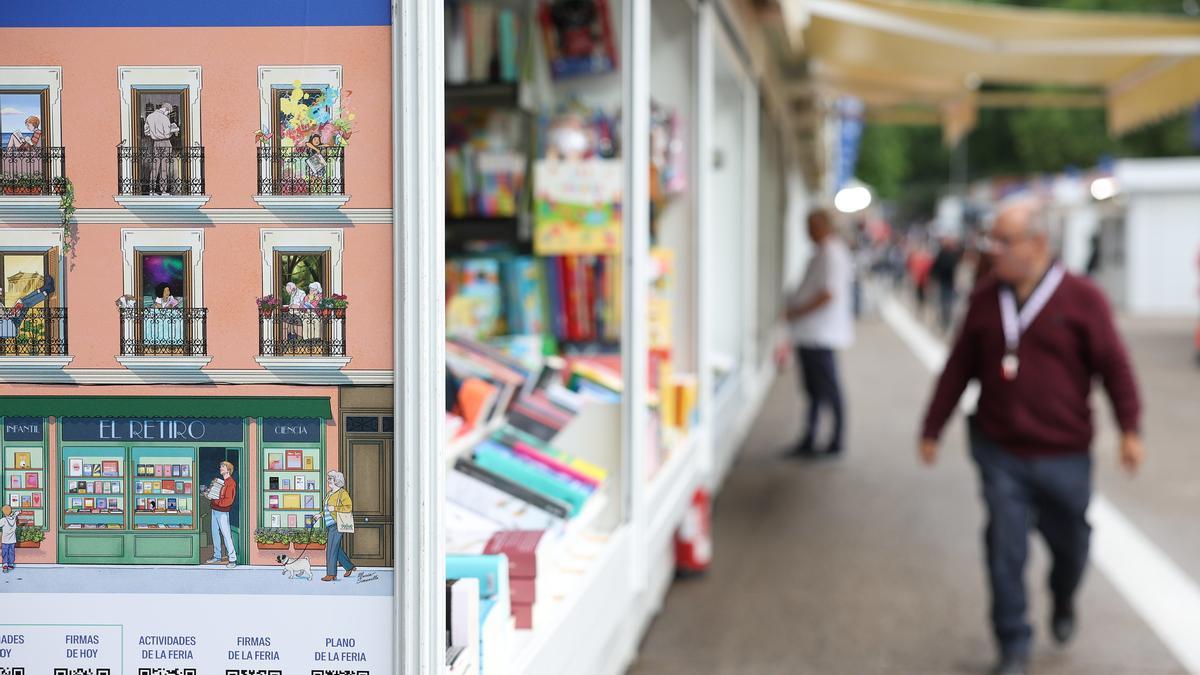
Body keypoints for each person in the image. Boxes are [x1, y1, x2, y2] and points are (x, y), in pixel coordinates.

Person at [918, 197, 1143, 675]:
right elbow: (958, 368)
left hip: (1065, 452)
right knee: (1004, 544)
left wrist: (1130, 428)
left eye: (1004, 240)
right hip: (1001, 449)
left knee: (1071, 543)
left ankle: (1063, 597)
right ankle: (1013, 644)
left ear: (1038, 243)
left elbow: (1115, 367)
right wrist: (932, 427)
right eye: (991, 240)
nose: (992, 249)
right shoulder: (984, 299)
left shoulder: (1082, 298)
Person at [784, 208, 855, 459]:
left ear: (823, 226)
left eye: (811, 226)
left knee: (828, 389)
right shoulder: (824, 253)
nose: (807, 232)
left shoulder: (832, 254)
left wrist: (798, 311)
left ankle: (835, 440)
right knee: (814, 391)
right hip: (811, 333)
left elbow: (828, 293)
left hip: (820, 333)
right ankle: (811, 437)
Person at [321, 470, 357, 581]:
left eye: (330, 479)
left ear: (337, 480)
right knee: (335, 548)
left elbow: (348, 507)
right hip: (330, 524)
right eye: (328, 478)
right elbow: (328, 510)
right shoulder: (330, 493)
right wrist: (320, 515)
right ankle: (349, 566)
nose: (328, 481)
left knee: (331, 549)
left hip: (337, 524)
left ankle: (331, 574)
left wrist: (335, 508)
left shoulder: (342, 493)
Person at [204, 460, 238, 568]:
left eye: (222, 467)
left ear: (228, 469)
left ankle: (232, 559)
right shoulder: (222, 482)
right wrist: (210, 496)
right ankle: (217, 556)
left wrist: (214, 500)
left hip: (222, 512)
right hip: (215, 510)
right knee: (215, 533)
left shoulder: (231, 483)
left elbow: (228, 501)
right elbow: (218, 496)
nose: (220, 468)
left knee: (226, 534)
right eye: (221, 467)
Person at [143, 102, 179, 194]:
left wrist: (155, 134)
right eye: (169, 112)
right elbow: (167, 133)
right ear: (166, 109)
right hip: (165, 143)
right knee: (164, 168)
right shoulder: (164, 118)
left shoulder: (149, 117)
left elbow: (146, 132)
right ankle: (163, 190)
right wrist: (174, 129)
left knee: (154, 167)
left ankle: (152, 190)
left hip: (155, 144)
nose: (168, 113)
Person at [931, 236, 962, 333]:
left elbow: (956, 268)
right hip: (943, 282)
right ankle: (944, 320)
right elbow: (936, 267)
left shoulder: (953, 255)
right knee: (944, 303)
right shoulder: (942, 254)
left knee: (948, 303)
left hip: (950, 283)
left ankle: (946, 320)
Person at [0, 505, 16, 573]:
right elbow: (16, 513)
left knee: (5, 552)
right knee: (11, 552)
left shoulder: (3, 520)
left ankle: (5, 564)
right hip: (13, 540)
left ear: (3, 512)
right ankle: (11, 564)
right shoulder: (14, 518)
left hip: (5, 540)